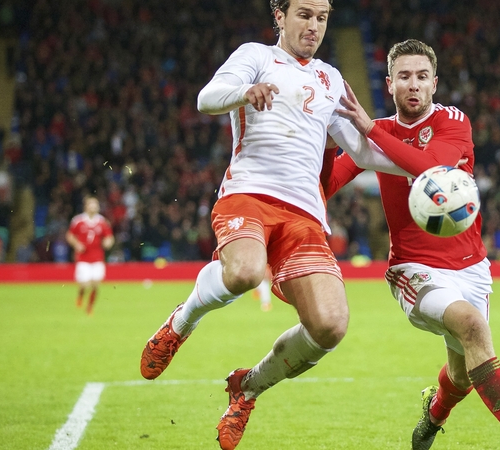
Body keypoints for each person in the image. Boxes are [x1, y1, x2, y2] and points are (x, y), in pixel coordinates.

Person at [138, 1, 405, 449]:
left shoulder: (330, 79)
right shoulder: (255, 57)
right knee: (243, 272)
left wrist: (424, 168)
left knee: (331, 325)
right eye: (304, 14)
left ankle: (248, 388)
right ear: (279, 15)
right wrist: (244, 93)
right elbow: (207, 99)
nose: (314, 26)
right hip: (248, 194)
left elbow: (360, 154)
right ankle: (181, 323)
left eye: (322, 18)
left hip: (304, 216)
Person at [325, 39, 500, 450]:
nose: (413, 85)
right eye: (404, 77)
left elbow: (431, 168)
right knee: (473, 327)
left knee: (461, 373)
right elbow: (325, 186)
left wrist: (365, 131)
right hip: (414, 270)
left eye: (421, 76)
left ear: (435, 83)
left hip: (471, 266)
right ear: (389, 84)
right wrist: (329, 141)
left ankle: (432, 416)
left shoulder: (453, 122)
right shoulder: (378, 132)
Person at [65, 196, 114, 315]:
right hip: (83, 258)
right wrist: (77, 244)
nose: (94, 207)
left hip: (97, 258)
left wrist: (108, 242)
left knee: (95, 284)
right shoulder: (78, 220)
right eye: (91, 204)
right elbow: (70, 235)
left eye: (95, 204)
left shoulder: (102, 222)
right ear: (86, 206)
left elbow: (109, 237)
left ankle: (89, 307)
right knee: (85, 285)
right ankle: (81, 295)